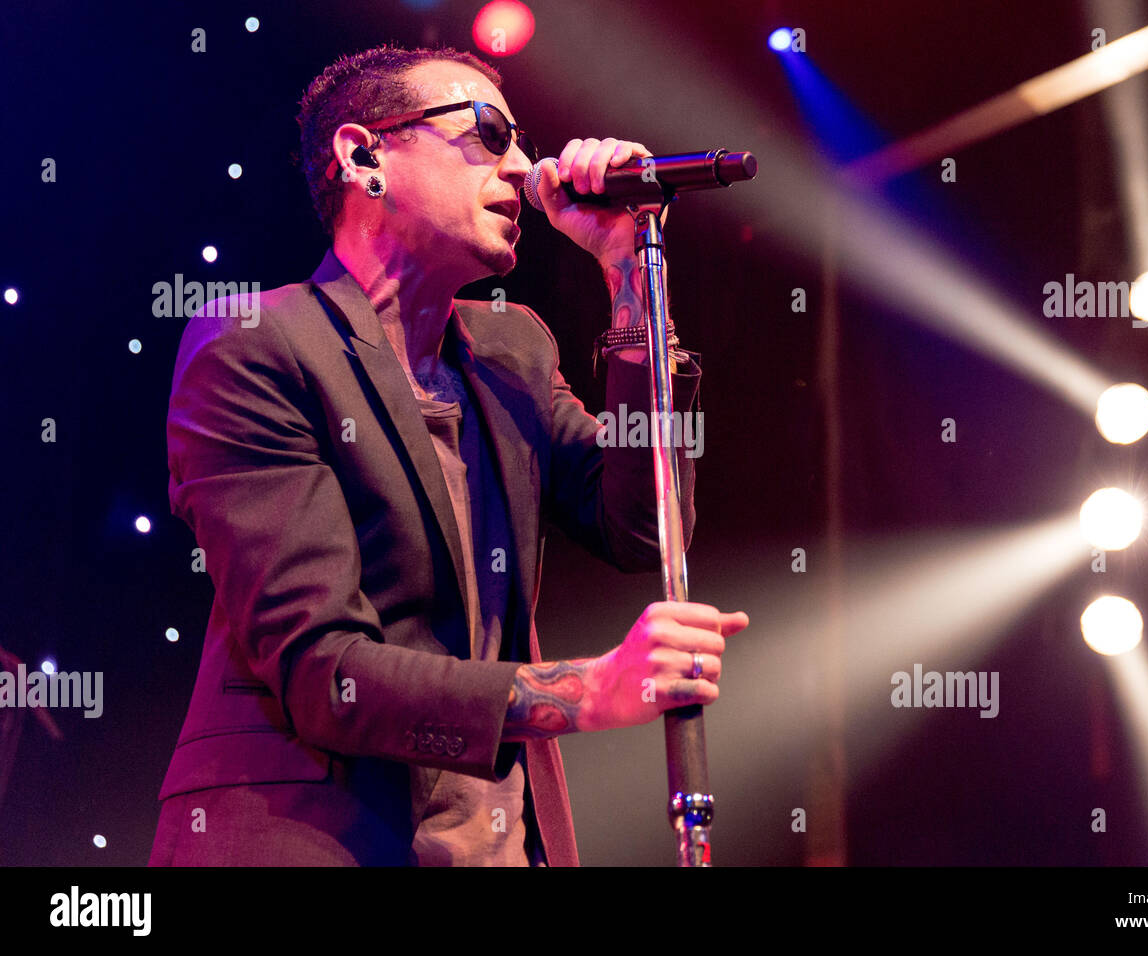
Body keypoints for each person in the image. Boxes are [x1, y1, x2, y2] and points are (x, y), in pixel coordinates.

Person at [149, 43, 748, 867]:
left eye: (520, 141)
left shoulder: (513, 351)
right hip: (307, 839)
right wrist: (590, 690)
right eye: (490, 134)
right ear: (364, 156)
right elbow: (325, 671)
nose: (523, 167)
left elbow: (647, 528)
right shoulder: (259, 342)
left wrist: (627, 274)